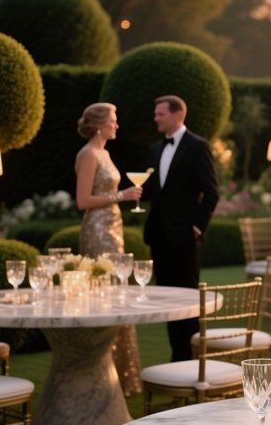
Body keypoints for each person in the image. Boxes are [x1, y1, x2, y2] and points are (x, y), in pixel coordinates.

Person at [143, 95, 219, 362]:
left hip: (185, 236)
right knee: (166, 300)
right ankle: (177, 357)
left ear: (177, 115)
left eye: (160, 113)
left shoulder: (198, 147)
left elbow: (211, 193)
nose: (156, 118)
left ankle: (190, 360)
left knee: (188, 301)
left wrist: (197, 228)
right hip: (159, 235)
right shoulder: (155, 149)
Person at [74, 102, 143, 395]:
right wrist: (123, 195)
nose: (117, 125)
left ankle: (121, 377)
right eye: (113, 120)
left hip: (113, 230)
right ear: (100, 124)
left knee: (119, 294)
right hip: (98, 231)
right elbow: (82, 201)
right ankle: (101, 373)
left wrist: (121, 198)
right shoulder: (89, 154)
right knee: (106, 297)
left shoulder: (105, 153)